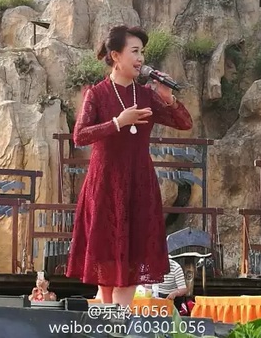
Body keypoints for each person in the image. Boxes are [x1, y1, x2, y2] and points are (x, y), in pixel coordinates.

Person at [65, 25, 193, 307]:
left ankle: (120, 315)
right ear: (115, 55)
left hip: (138, 181)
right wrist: (118, 122)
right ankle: (109, 312)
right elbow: (80, 135)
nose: (140, 59)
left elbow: (185, 123)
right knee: (106, 252)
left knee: (134, 250)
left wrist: (168, 99)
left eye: (142, 53)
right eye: (134, 51)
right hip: (105, 181)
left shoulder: (146, 95)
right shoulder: (97, 94)